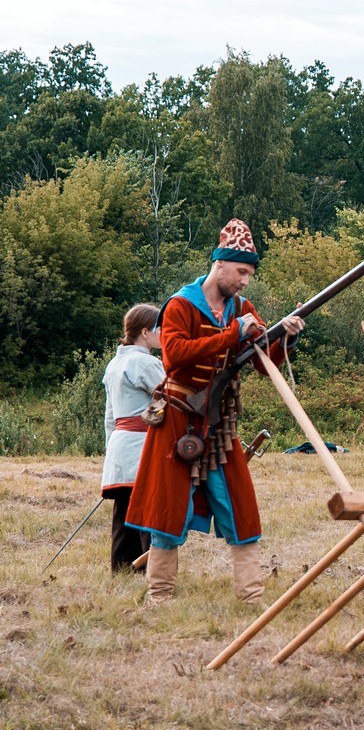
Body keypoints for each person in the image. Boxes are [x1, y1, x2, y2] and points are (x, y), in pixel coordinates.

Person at [125, 219, 304, 605]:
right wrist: (232, 333)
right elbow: (174, 357)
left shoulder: (242, 308)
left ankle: (251, 598)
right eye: (241, 271)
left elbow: (259, 362)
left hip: (219, 423)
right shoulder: (181, 304)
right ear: (219, 265)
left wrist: (283, 336)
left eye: (249, 274)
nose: (245, 281)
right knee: (168, 511)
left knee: (240, 505)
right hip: (177, 418)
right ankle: (160, 596)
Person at [100, 303, 163, 573]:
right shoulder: (145, 362)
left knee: (124, 515)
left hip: (119, 446)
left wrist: (110, 450)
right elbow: (173, 399)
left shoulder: (115, 364)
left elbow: (109, 418)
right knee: (149, 513)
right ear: (145, 332)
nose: (165, 334)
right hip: (141, 446)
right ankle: (151, 572)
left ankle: (123, 571)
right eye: (161, 328)